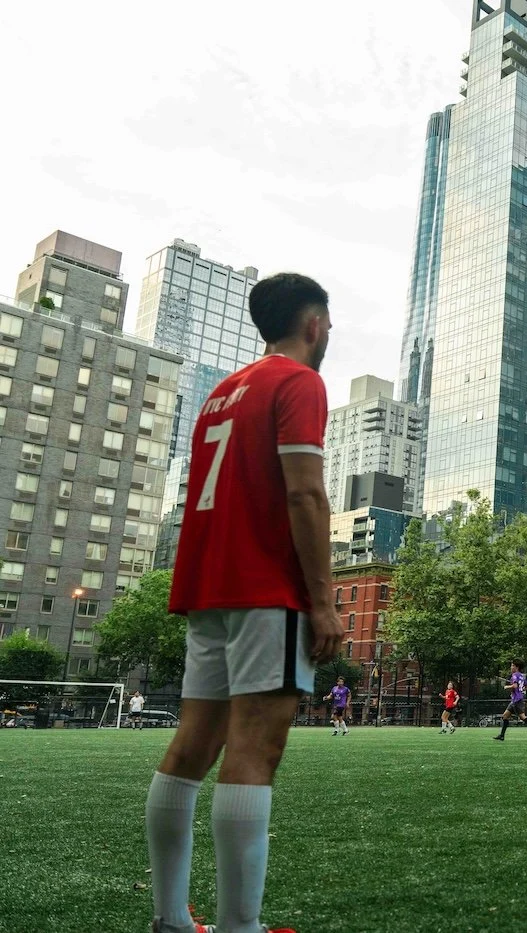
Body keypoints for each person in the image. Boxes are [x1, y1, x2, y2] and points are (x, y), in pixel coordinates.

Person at [146, 272, 337, 933]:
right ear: (313, 324)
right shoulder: (300, 382)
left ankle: (170, 918)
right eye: (329, 325)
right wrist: (323, 600)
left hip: (209, 586)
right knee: (256, 748)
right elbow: (305, 493)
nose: (329, 336)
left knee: (191, 745)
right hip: (265, 590)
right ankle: (239, 926)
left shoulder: (221, 393)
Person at [495, 661, 527, 741]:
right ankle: (502, 736)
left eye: (512, 665)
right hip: (516, 699)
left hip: (516, 700)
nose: (511, 667)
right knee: (505, 716)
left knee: (522, 717)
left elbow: (515, 686)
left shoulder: (515, 675)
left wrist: (506, 687)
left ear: (517, 667)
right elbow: (526, 687)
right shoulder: (522, 676)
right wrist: (521, 689)